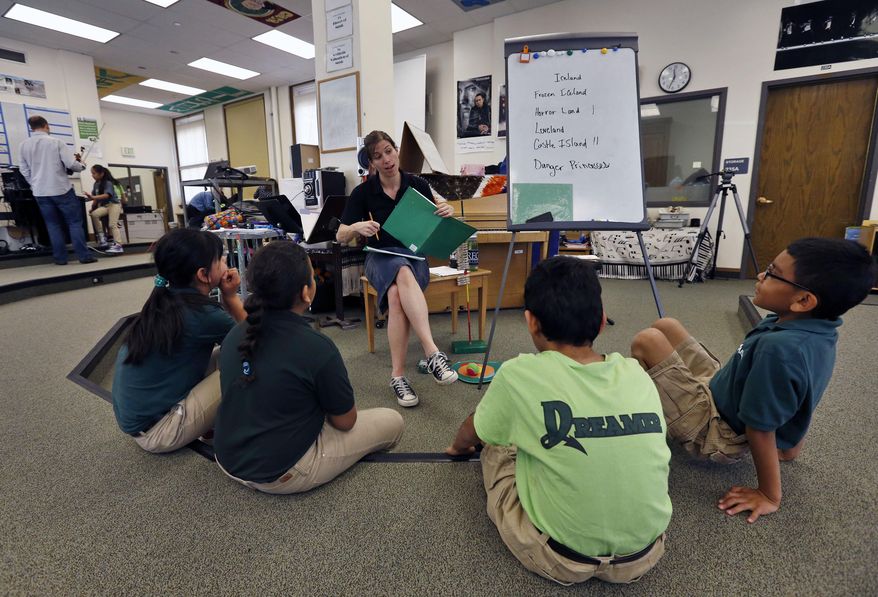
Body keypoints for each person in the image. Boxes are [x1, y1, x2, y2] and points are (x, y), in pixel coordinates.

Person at [447, 257, 671, 585]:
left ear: (531, 322)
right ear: (601, 322)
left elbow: (474, 431)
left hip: (559, 558)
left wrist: (458, 446)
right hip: (644, 554)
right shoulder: (636, 373)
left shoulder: (518, 373)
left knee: (497, 443)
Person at [630, 237, 875, 523]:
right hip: (721, 387)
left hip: (718, 432)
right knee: (665, 326)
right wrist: (791, 445)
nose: (761, 276)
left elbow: (759, 427)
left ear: (803, 301)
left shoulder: (781, 352)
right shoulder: (809, 327)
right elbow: (803, 392)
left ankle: (635, 429)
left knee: (647, 341)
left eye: (772, 273)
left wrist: (769, 494)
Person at [214, 241, 404, 494]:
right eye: (313, 276)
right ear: (306, 293)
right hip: (282, 474)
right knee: (393, 421)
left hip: (227, 458)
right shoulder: (317, 347)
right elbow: (346, 421)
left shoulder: (234, 335)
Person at [336, 130, 458, 407]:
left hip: (414, 258)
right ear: (371, 162)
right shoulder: (363, 191)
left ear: (396, 150)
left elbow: (437, 225)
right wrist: (356, 227)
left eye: (389, 151)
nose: (386, 159)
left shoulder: (418, 185)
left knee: (395, 296)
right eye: (378, 156)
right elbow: (340, 234)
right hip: (380, 257)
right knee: (399, 272)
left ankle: (398, 377)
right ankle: (432, 353)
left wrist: (447, 211)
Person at [112, 229, 246, 453]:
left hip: (142, 424)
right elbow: (256, 341)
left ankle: (207, 422)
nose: (225, 260)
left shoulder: (168, 298)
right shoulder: (203, 314)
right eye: (219, 258)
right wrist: (231, 297)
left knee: (226, 355)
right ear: (203, 275)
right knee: (246, 365)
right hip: (159, 432)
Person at [18, 115, 96, 265]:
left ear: (31, 127)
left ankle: (60, 259)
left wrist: (34, 184)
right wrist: (83, 165)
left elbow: (24, 169)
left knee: (52, 225)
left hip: (40, 192)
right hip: (61, 190)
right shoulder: (56, 142)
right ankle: (84, 257)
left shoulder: (23, 145)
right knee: (74, 223)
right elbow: (71, 165)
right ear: (46, 125)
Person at [85, 165, 124, 253]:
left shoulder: (108, 183)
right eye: (92, 173)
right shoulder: (96, 184)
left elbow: (107, 195)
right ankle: (102, 236)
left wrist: (92, 197)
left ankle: (118, 245)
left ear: (101, 174)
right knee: (94, 214)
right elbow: (94, 197)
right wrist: (88, 201)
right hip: (106, 206)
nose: (92, 175)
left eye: (94, 173)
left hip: (114, 205)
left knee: (112, 224)